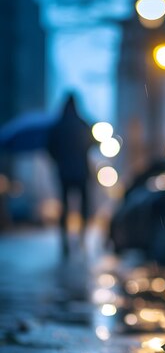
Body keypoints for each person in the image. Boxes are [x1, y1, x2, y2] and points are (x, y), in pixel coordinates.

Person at [47, 93, 92, 256]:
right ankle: (81, 237)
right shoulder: (82, 124)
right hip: (81, 172)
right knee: (84, 206)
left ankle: (65, 241)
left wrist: (59, 160)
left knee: (65, 207)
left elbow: (50, 148)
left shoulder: (57, 126)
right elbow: (92, 143)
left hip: (64, 172)